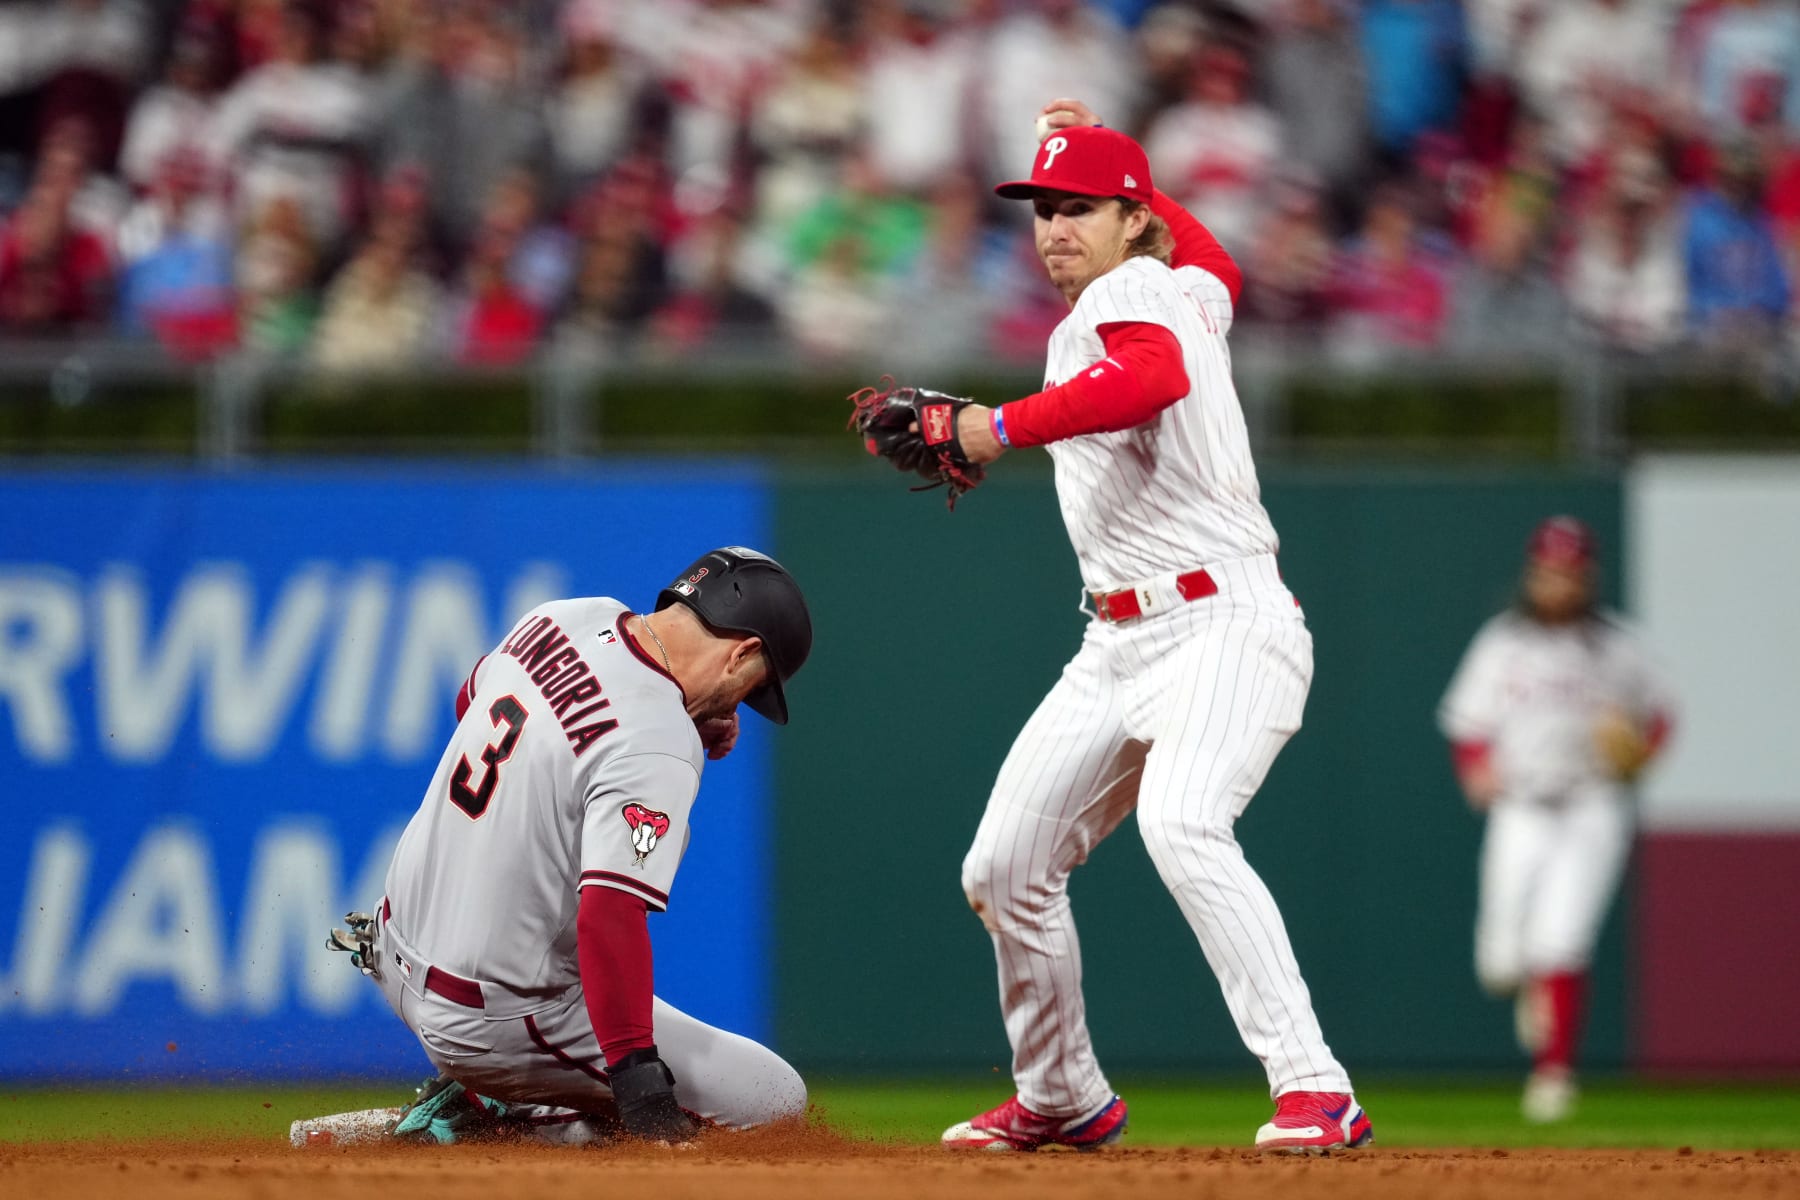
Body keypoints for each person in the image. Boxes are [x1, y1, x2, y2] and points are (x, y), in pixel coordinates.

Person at [935, 99, 1373, 1154]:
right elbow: (1214, 272)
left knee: (1184, 824)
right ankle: (1061, 1095)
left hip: (1223, 620)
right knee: (1003, 868)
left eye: (1078, 207)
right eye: (1042, 210)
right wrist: (1131, 187)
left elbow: (1151, 378)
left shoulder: (1135, 292)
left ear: (1131, 220)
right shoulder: (1180, 287)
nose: (1053, 229)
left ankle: (1316, 1086)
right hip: (1119, 642)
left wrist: (993, 427)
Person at [306, 547, 813, 1147]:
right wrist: (638, 1079)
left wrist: (628, 741)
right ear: (743, 653)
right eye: (752, 690)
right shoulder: (661, 743)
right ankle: (485, 1114)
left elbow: (472, 703)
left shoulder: (567, 617)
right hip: (491, 1021)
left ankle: (474, 1105)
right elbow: (609, 916)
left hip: (393, 946)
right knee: (775, 1101)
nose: (739, 709)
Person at [1438, 517, 1673, 1123]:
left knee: (1563, 939)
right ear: (1533, 573)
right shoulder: (1504, 642)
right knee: (1499, 963)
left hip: (1592, 805)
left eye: (1569, 573)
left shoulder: (1620, 645)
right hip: (1521, 804)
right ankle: (1526, 983)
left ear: (1586, 576)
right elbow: (1467, 723)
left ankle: (1554, 1074)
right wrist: (1476, 766)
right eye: (1548, 571)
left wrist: (1640, 752)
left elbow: (1660, 718)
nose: (1558, 583)